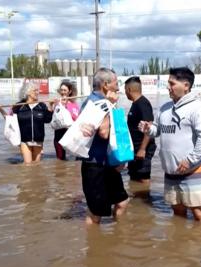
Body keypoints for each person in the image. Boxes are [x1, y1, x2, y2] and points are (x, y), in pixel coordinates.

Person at [139, 67, 201, 223]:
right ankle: (180, 245)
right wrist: (148, 129)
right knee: (177, 212)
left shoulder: (198, 108)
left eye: (172, 83)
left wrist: (190, 160)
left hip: (194, 168)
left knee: (199, 213)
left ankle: (200, 245)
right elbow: (157, 130)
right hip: (172, 170)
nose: (168, 87)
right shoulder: (165, 108)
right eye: (168, 83)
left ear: (186, 86)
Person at [79, 67, 129, 225]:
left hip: (107, 163)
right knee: (96, 213)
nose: (118, 86)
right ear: (106, 85)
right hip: (94, 164)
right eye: (116, 82)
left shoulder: (100, 100)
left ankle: (116, 239)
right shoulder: (96, 102)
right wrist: (110, 104)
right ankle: (94, 248)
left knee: (122, 202)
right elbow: (104, 133)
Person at [0, 84, 53, 164]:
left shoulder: (41, 105)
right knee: (28, 165)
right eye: (35, 90)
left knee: (36, 165)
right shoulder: (18, 106)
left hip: (38, 141)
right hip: (24, 141)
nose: (37, 92)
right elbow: (9, 120)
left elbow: (48, 120)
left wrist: (51, 105)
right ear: (28, 93)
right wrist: (0, 110)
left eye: (37, 90)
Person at [124, 76, 156, 185]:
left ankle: (145, 198)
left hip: (142, 149)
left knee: (143, 178)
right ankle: (136, 200)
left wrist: (142, 149)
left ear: (129, 90)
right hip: (134, 148)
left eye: (125, 90)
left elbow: (149, 127)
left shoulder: (143, 104)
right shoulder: (135, 104)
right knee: (133, 177)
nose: (125, 93)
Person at [53, 81, 80, 160]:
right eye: (61, 90)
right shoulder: (57, 103)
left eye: (65, 90)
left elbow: (77, 119)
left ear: (70, 91)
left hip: (71, 136)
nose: (63, 92)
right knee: (60, 161)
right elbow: (55, 119)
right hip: (59, 136)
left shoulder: (74, 105)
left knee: (77, 161)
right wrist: (54, 105)